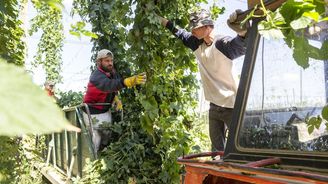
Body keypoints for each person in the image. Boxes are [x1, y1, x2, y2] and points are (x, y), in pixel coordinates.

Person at [157, 9, 248, 152]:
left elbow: (241, 45)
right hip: (214, 105)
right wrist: (159, 19)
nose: (192, 31)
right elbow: (179, 32)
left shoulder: (222, 44)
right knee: (217, 151)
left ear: (207, 27)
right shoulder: (196, 43)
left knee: (241, 146)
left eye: (195, 27)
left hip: (232, 104)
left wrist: (242, 32)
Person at [83, 49, 146, 153]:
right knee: (96, 140)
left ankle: (103, 156)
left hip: (104, 110)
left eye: (111, 61)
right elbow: (109, 85)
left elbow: (114, 86)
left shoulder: (112, 72)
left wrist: (116, 98)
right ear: (99, 62)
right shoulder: (96, 76)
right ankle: (93, 161)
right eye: (107, 61)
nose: (110, 63)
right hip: (92, 112)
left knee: (107, 135)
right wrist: (127, 82)